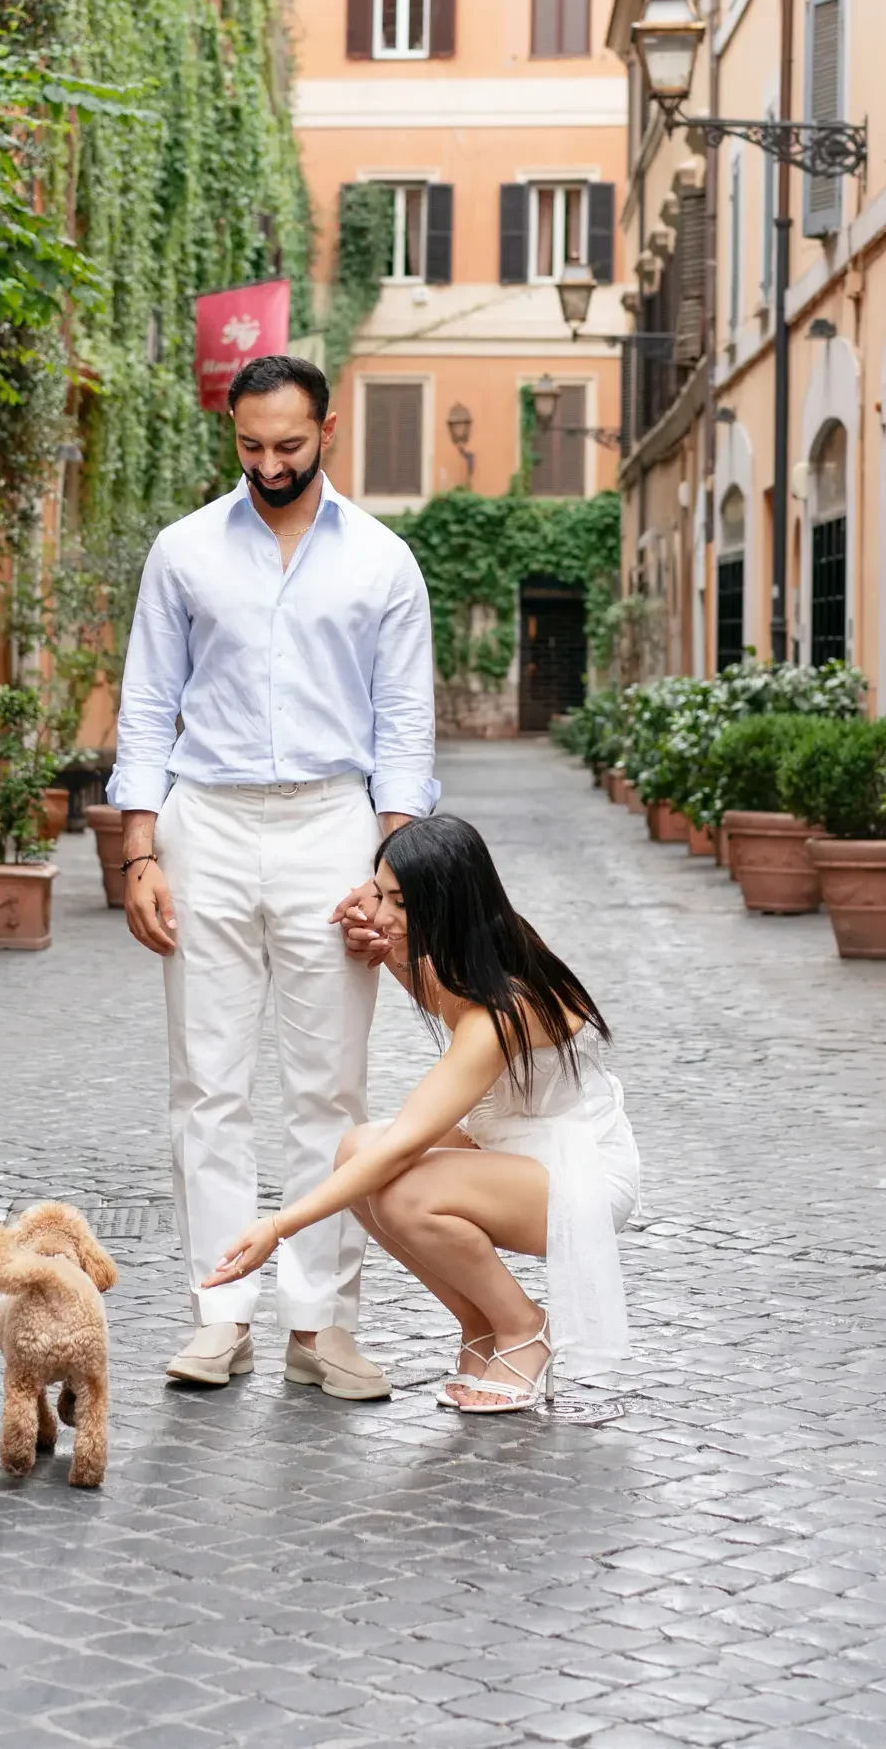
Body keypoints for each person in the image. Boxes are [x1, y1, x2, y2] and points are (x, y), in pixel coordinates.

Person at [110, 351, 437, 1400]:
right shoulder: (183, 550)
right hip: (203, 821)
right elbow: (146, 706)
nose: (268, 464)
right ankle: (220, 1316)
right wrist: (139, 850)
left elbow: (404, 730)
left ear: (326, 431)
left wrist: (391, 874)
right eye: (250, 445)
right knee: (205, 1084)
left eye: (288, 445)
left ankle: (318, 1323)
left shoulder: (382, 561)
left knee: (328, 1086)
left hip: (332, 822)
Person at [204, 815, 639, 1413]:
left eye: (399, 902)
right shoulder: (479, 951)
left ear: (445, 904)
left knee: (403, 1187)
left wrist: (278, 1227)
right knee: (356, 1151)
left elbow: (407, 1141)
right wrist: (383, 939)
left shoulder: (503, 1009)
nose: (381, 912)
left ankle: (522, 1326)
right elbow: (435, 996)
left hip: (580, 1174)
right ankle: (480, 1324)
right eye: (378, 893)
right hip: (512, 1147)